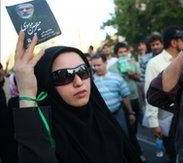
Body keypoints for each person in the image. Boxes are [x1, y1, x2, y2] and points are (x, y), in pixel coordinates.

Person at [11, 31, 141, 162]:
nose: (78, 82)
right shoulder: (47, 135)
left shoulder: (103, 119)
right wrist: (26, 92)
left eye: (83, 71)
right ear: (47, 84)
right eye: (64, 76)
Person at [144, 26, 183, 162]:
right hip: (167, 121)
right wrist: (154, 122)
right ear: (173, 42)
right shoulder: (154, 63)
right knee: (173, 154)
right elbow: (149, 94)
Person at [109, 42, 143, 158]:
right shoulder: (112, 68)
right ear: (117, 55)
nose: (123, 54)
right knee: (129, 129)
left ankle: (133, 149)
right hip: (123, 101)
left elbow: (139, 79)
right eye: (120, 52)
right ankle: (136, 153)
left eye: (125, 52)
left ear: (128, 52)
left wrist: (132, 74)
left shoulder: (132, 63)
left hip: (135, 98)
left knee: (135, 127)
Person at [91, 53, 136, 135]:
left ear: (105, 63)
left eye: (98, 65)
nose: (96, 68)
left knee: (124, 136)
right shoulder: (91, 82)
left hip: (118, 114)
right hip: (101, 117)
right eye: (94, 66)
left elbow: (125, 96)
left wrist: (130, 113)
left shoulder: (117, 78)